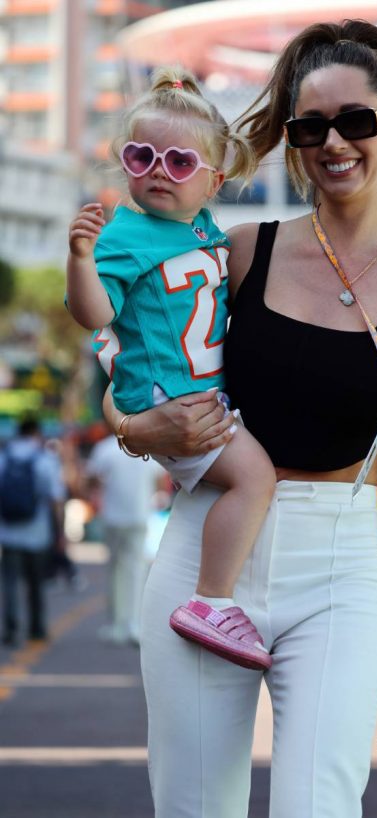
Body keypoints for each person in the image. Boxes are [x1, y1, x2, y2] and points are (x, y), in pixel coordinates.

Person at [104, 19, 377, 817]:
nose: (332, 143)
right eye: (309, 127)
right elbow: (134, 371)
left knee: (317, 805)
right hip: (207, 553)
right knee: (194, 806)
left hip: (340, 569)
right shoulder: (239, 252)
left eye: (355, 121)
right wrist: (135, 430)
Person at [66, 67, 276, 669]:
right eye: (142, 156)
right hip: (173, 401)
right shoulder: (123, 234)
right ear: (122, 163)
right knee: (254, 479)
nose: (159, 170)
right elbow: (94, 314)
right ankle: (211, 601)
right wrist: (81, 259)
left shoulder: (202, 229)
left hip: (192, 393)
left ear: (213, 180)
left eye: (180, 162)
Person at [85, 433, 165, 645]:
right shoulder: (146, 445)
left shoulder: (104, 448)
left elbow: (92, 478)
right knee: (137, 570)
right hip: (139, 515)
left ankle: (118, 624)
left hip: (112, 516)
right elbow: (160, 479)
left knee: (115, 569)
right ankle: (134, 624)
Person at [0, 417, 66, 646]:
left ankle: (10, 628)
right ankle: (36, 628)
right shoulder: (44, 459)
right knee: (36, 582)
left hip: (8, 533)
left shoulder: (4, 458)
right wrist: (60, 532)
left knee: (9, 582)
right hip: (37, 533)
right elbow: (55, 499)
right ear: (37, 433)